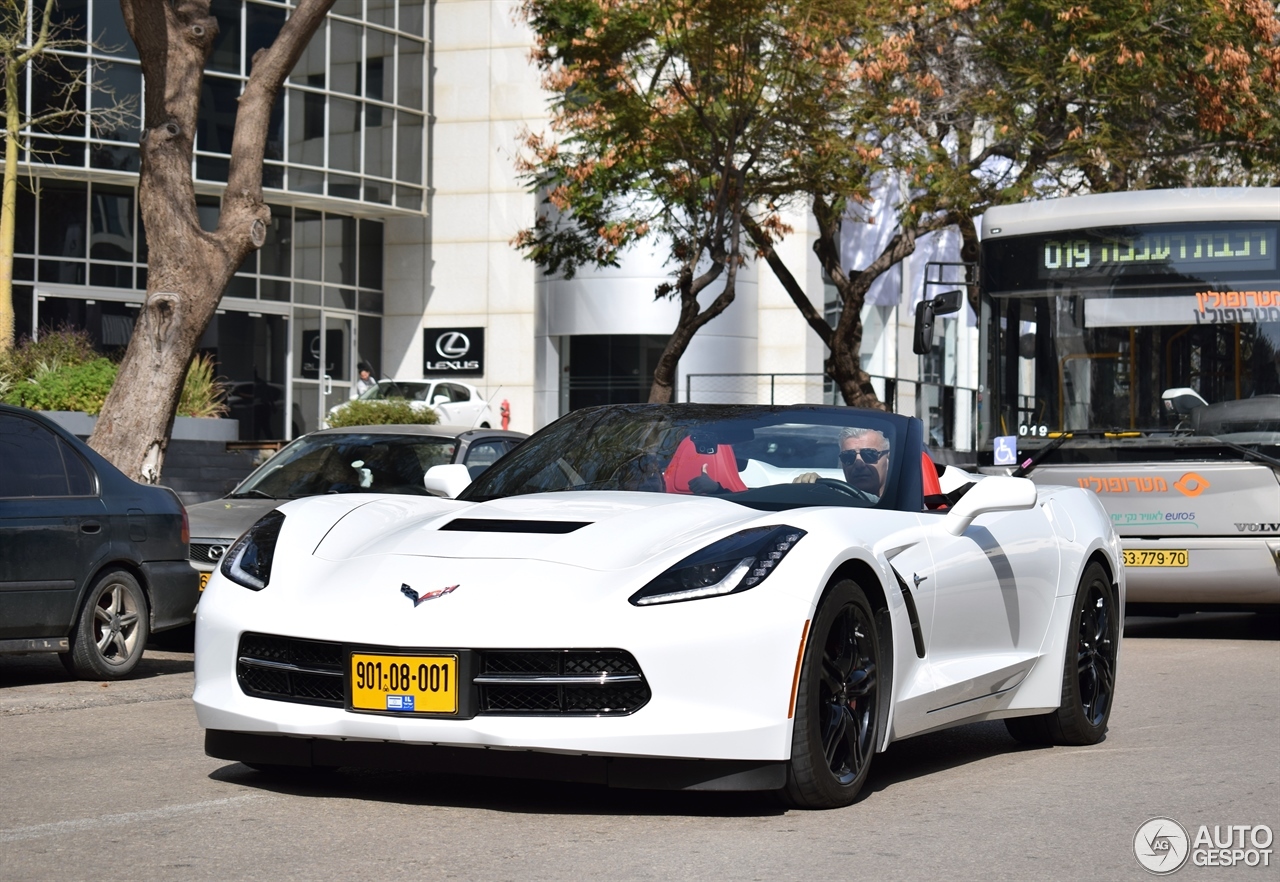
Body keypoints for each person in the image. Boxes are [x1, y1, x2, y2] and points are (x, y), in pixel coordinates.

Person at [793, 426, 891, 497]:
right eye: (848, 456)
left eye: (869, 454)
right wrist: (811, 485)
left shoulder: (903, 503)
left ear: (889, 458)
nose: (858, 464)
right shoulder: (833, 501)